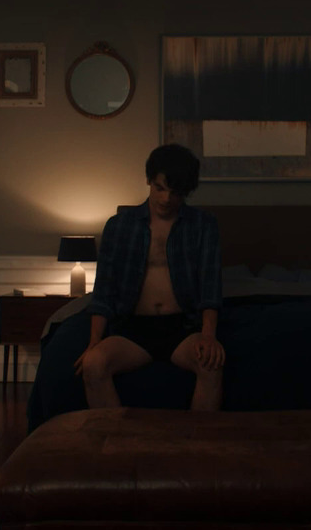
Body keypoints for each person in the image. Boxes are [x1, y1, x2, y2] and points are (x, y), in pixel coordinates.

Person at [74, 144, 225, 411]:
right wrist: (94, 341)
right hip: (133, 329)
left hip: (182, 327)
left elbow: (210, 286)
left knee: (211, 365)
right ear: (149, 181)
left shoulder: (203, 225)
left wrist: (208, 335)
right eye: (160, 188)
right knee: (93, 364)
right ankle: (115, 437)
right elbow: (104, 290)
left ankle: (199, 438)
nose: (166, 199)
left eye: (175, 193)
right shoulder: (119, 226)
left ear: (186, 192)